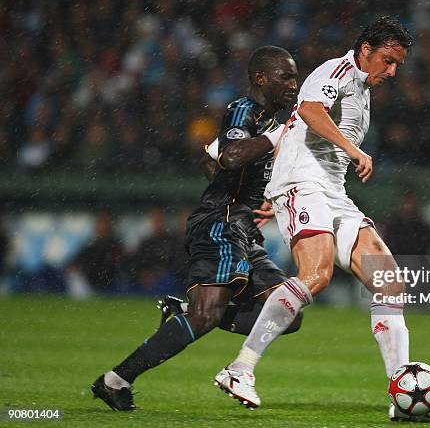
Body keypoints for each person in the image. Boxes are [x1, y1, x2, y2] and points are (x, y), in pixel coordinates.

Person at [215, 17, 430, 423]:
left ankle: (402, 400)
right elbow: (307, 111)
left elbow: (291, 129)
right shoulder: (336, 70)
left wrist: (275, 190)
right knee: (317, 274)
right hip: (304, 184)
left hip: (330, 191)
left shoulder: (362, 90)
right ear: (365, 50)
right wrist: (349, 154)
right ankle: (239, 369)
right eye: (388, 60)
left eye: (398, 64)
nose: (393, 71)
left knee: (389, 282)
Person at [91, 45, 301, 411]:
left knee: (289, 313)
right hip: (219, 223)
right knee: (206, 314)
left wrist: (258, 196)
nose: (294, 84)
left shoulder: (266, 120)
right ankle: (116, 380)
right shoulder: (244, 111)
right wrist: (276, 137)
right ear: (260, 78)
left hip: (242, 228)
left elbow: (211, 160)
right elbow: (233, 157)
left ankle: (186, 313)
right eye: (286, 76)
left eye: (295, 76)